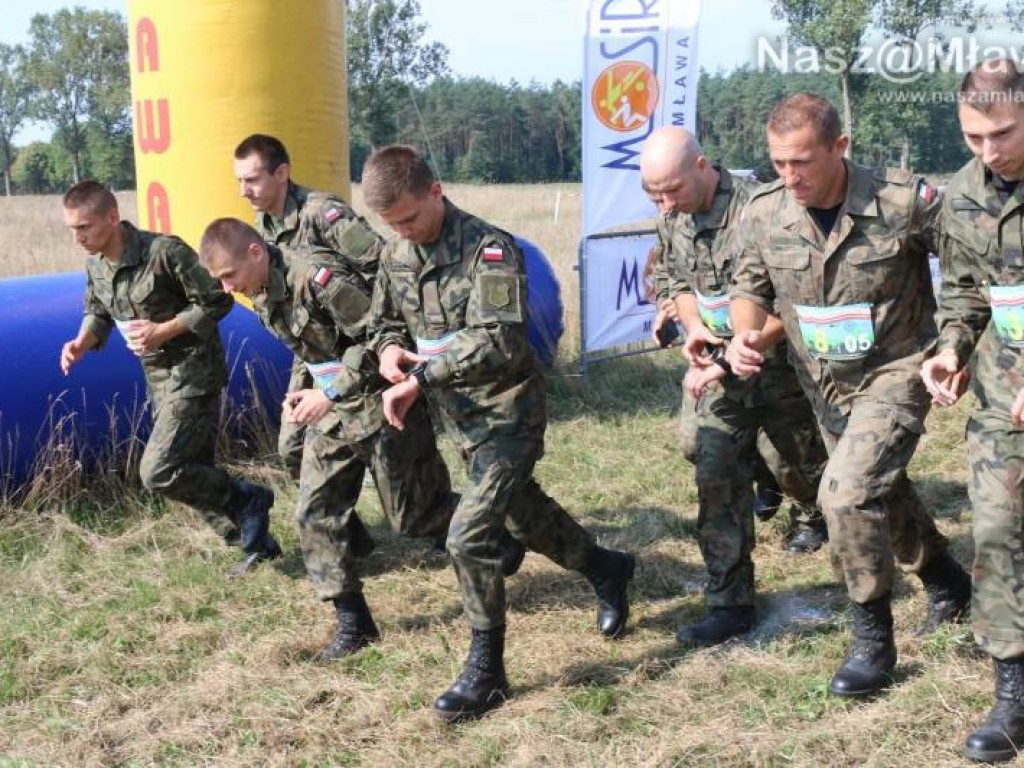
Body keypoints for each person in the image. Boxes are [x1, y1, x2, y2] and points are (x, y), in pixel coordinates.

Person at [362, 145, 636, 722]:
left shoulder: (490, 250)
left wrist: (421, 377)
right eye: (393, 226)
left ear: (435, 191)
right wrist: (388, 350)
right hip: (460, 420)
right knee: (524, 516)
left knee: (468, 536)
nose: (405, 232)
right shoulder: (396, 252)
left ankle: (487, 672)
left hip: (510, 415)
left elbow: (500, 339)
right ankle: (606, 568)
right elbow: (383, 319)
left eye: (411, 218)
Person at [726, 93, 971, 698]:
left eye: (803, 161)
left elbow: (970, 269)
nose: (790, 176)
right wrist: (744, 336)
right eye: (779, 163)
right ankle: (945, 579)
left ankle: (872, 637)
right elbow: (748, 286)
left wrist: (956, 345)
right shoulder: (762, 212)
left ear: (840, 147)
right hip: (824, 382)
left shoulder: (901, 202)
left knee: (845, 492)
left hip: (898, 370)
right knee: (880, 494)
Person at [198, 218, 501, 661]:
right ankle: (353, 623)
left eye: (229, 276)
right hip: (334, 417)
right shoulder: (261, 291)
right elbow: (308, 351)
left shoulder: (317, 278)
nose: (227, 288)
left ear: (255, 254)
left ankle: (498, 529)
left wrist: (331, 392)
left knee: (416, 515)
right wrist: (299, 395)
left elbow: (378, 339)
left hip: (382, 408)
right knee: (314, 513)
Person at [641, 127, 829, 647]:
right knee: (715, 470)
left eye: (672, 190)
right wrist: (692, 324)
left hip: (777, 369)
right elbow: (677, 281)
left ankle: (816, 512)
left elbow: (793, 302)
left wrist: (734, 353)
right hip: (719, 372)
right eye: (653, 194)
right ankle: (730, 601)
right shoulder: (672, 217)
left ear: (703, 166)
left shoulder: (763, 208)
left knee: (801, 469)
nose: (664, 204)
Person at [59, 180, 277, 576]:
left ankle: (249, 500)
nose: (78, 238)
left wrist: (165, 329)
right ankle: (255, 544)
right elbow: (99, 310)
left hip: (195, 370)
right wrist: (80, 341)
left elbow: (218, 298)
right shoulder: (96, 265)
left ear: (112, 217)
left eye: (84, 227)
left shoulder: (164, 252)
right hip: (159, 378)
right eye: (72, 230)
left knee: (158, 470)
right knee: (193, 468)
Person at [920, 58, 1024, 763]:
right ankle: (1014, 685)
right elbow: (965, 294)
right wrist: (951, 349)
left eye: (1004, 132)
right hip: (1003, 392)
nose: (989, 150)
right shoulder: (961, 195)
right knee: (996, 525)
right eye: (973, 136)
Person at [234, 133, 381, 478]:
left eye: (252, 179)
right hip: (312, 350)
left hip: (361, 347)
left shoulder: (322, 215)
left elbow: (381, 271)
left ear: (281, 173)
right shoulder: (262, 229)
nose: (244, 190)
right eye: (239, 180)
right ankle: (334, 526)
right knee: (292, 448)